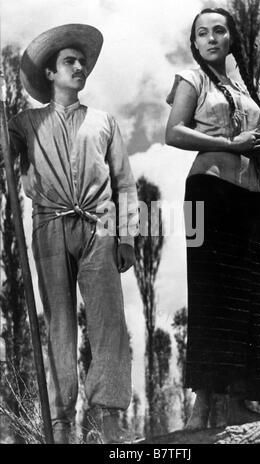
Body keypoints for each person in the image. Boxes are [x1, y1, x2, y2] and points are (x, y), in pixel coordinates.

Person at [166, 8, 260, 429]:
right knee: (211, 291)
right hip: (207, 193)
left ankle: (241, 398)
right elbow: (173, 132)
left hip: (252, 197)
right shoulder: (192, 79)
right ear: (195, 42)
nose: (210, 39)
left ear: (230, 38)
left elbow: (252, 144)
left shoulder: (242, 87)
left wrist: (255, 150)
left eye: (218, 31)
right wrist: (231, 142)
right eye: (201, 33)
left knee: (254, 295)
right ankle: (203, 404)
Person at [8, 24, 138, 444]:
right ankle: (61, 424)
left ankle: (110, 422)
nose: (79, 66)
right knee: (60, 325)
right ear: (50, 73)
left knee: (108, 324)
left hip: (99, 226)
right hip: (48, 226)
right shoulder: (25, 122)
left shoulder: (104, 121)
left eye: (82, 61)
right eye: (69, 61)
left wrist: (127, 236)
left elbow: (125, 183)